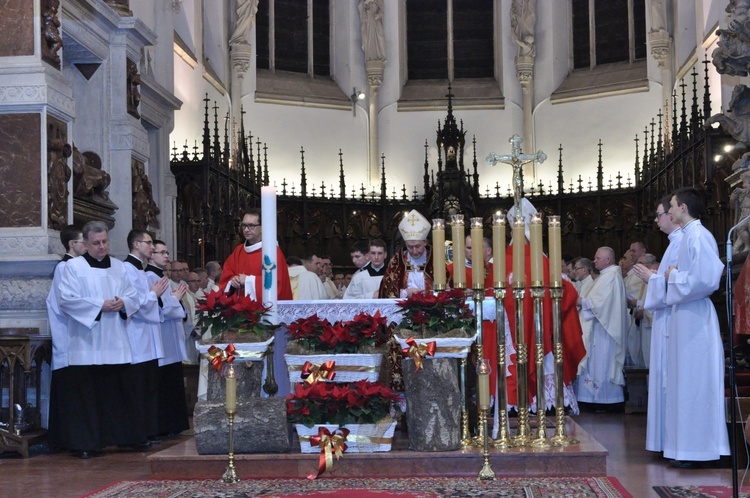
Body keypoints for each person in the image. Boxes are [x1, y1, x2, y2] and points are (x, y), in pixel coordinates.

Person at [51, 221, 140, 458]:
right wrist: (100, 305)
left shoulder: (120, 267)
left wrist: (124, 303)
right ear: (85, 243)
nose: (102, 247)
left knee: (115, 392)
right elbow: (66, 300)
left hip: (115, 339)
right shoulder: (73, 267)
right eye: (96, 243)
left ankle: (120, 437)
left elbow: (133, 295)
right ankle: (86, 443)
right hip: (86, 340)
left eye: (105, 242)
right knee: (87, 395)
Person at [661, 187, 730, 467]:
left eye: (673, 206)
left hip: (696, 317)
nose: (670, 210)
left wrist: (673, 275)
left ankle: (700, 450)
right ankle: (685, 448)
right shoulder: (689, 235)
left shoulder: (699, 236)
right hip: (684, 315)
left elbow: (706, 280)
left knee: (695, 382)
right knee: (683, 382)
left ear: (684, 208)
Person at [503, 199, 586, 413]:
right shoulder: (542, 260)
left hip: (512, 334)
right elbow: (566, 293)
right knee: (543, 356)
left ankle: (515, 405)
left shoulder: (499, 261)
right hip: (541, 332)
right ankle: (545, 405)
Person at [123, 229, 170, 444]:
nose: (152, 247)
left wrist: (155, 296)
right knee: (138, 389)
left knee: (149, 387)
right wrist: (154, 295)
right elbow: (134, 305)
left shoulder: (140, 271)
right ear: (135, 244)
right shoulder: (126, 269)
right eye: (148, 243)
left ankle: (149, 431)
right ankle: (137, 435)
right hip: (136, 337)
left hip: (148, 337)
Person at [575, 246, 629, 410]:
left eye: (598, 258)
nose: (594, 260)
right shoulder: (605, 276)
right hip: (600, 327)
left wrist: (580, 301)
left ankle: (604, 400)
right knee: (596, 364)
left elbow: (600, 304)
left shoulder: (610, 277)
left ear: (608, 260)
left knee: (602, 364)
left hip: (605, 331)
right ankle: (592, 399)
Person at [146, 240, 190, 439]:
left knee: (172, 380)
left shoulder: (163, 277)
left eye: (166, 252)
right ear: (151, 255)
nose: (166, 256)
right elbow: (161, 308)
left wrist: (175, 300)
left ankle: (174, 423)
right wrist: (175, 300)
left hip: (170, 337)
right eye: (161, 253)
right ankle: (163, 425)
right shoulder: (148, 276)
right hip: (159, 336)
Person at [46, 226, 86, 437]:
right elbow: (66, 303)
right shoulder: (65, 267)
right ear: (72, 244)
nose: (87, 246)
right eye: (83, 242)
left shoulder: (78, 266)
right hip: (69, 336)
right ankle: (67, 436)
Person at [218, 208, 293, 301]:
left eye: (251, 226)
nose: (246, 229)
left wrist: (248, 281)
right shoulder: (238, 251)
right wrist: (233, 281)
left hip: (263, 311)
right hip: (239, 311)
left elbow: (277, 285)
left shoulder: (272, 252)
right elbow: (225, 278)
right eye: (244, 225)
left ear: (262, 227)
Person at [379, 209, 435, 298]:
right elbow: (387, 291)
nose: (414, 251)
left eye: (417, 246)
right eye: (410, 247)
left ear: (425, 242)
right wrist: (405, 293)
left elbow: (446, 288)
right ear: (405, 244)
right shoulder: (397, 261)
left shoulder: (435, 259)